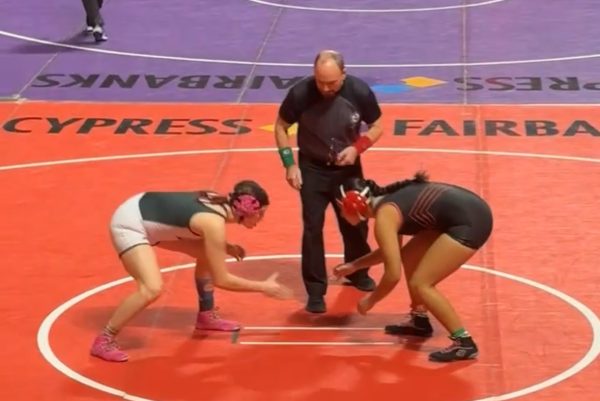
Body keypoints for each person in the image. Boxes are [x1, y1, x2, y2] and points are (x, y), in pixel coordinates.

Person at [90, 180, 292, 362]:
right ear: (247, 210)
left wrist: (225, 246)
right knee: (151, 288)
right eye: (261, 213)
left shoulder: (218, 204)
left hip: (149, 213)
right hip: (131, 223)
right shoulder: (213, 223)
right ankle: (105, 339)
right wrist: (263, 287)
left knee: (208, 252)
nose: (262, 219)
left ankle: (206, 315)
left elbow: (195, 226)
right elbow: (222, 279)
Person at [332, 171, 493, 362]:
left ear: (354, 204)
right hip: (463, 214)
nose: (341, 214)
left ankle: (464, 342)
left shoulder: (385, 216)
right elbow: (389, 251)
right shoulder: (386, 207)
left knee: (421, 283)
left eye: (341, 208)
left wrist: (370, 300)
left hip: (470, 222)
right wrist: (354, 265)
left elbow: (392, 275)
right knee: (409, 256)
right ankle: (419, 319)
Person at [274, 49, 384, 313]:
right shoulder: (300, 93)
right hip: (312, 168)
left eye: (332, 82)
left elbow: (378, 125)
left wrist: (358, 148)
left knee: (355, 223)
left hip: (347, 168)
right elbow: (280, 126)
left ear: (343, 75)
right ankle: (315, 290)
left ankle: (357, 272)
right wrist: (289, 165)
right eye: (320, 81)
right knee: (312, 227)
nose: (325, 88)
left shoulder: (359, 91)